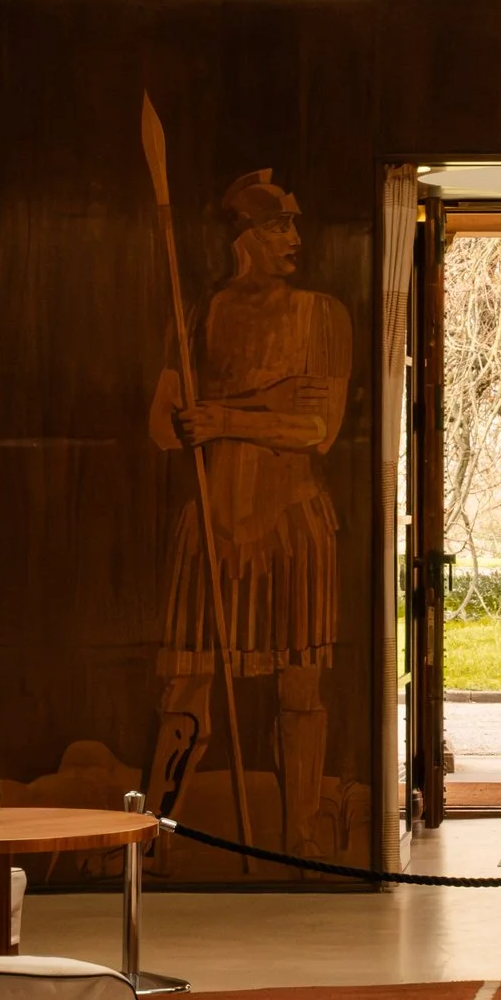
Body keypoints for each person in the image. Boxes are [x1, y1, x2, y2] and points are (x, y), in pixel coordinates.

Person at [149, 170, 352, 854]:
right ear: (242, 235)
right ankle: (154, 838)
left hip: (291, 521)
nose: (294, 237)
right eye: (277, 224)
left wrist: (229, 415)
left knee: (300, 687)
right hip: (214, 521)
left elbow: (318, 427)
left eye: (294, 223)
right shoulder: (198, 315)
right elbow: (159, 424)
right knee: (187, 687)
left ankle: (296, 838)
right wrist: (190, 417)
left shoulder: (321, 314)